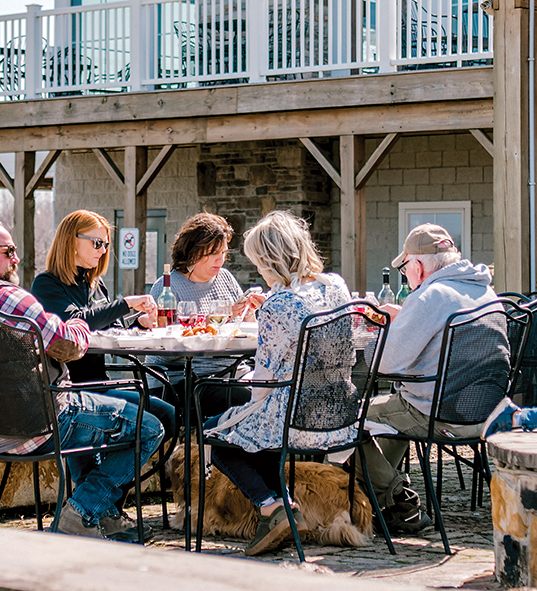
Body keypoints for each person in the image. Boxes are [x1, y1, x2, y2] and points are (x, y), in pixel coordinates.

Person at [0, 219, 165, 543]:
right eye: (7, 251)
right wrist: (83, 328)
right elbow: (66, 342)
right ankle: (81, 511)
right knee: (149, 426)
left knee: (106, 411)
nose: (15, 259)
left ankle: (103, 515)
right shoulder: (5, 297)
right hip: (47, 423)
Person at [202, 210, 353, 556]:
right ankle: (283, 507)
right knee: (252, 430)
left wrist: (250, 389)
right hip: (339, 409)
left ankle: (273, 506)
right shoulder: (335, 286)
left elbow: (265, 383)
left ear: (271, 260)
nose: (258, 270)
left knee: (215, 432)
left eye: (259, 263)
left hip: (295, 416)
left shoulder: (279, 303)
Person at [355, 224, 505, 533]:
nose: (405, 275)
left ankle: (401, 500)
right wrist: (405, 319)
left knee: (343, 420)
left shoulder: (429, 297)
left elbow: (385, 363)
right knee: (384, 415)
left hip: (436, 413)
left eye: (405, 267)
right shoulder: (484, 291)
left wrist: (372, 337)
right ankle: (384, 498)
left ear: (419, 266)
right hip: (484, 413)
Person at [31, 210, 175, 439]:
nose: (103, 250)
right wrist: (126, 303)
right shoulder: (47, 284)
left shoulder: (95, 285)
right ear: (71, 241)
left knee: (168, 414)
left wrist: (140, 322)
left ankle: (115, 472)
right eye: (97, 243)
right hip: (69, 391)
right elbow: (75, 323)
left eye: (106, 244)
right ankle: (102, 475)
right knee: (152, 421)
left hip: (100, 386)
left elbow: (111, 328)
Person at [148, 212, 254, 416]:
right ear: (194, 251)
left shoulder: (226, 278)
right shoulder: (168, 286)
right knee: (249, 399)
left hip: (230, 373)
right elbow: (162, 347)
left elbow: (242, 328)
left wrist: (248, 311)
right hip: (181, 380)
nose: (220, 259)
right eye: (213, 253)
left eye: (223, 253)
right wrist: (209, 324)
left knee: (273, 391)